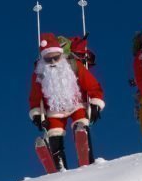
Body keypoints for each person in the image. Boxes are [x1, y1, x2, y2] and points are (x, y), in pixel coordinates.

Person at [28, 32, 105, 170]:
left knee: (81, 123)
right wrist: (37, 114)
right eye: (48, 59)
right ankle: (59, 164)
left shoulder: (73, 65)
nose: (52, 62)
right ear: (42, 59)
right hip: (54, 110)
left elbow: (92, 85)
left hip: (75, 104)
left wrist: (95, 103)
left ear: (61, 55)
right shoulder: (39, 74)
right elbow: (35, 97)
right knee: (54, 132)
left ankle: (85, 152)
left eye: (55, 58)